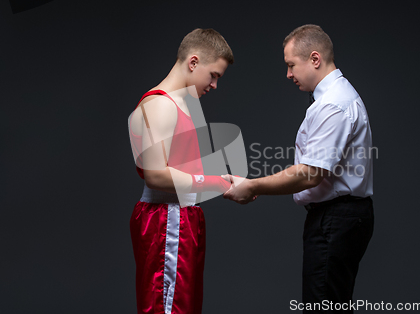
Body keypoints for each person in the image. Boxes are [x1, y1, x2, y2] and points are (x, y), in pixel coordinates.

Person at [223, 24, 374, 313]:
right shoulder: (333, 99)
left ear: (314, 59)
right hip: (339, 218)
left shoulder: (334, 105)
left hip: (336, 220)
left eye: (291, 65)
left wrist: (252, 186)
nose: (288, 74)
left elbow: (309, 173)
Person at [128, 28, 234, 314]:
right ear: (193, 62)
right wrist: (219, 184)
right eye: (213, 75)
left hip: (181, 219)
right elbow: (156, 175)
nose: (214, 85)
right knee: (167, 309)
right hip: (166, 222)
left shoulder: (179, 105)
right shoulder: (160, 104)